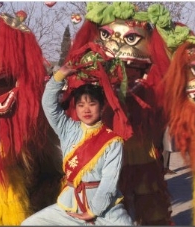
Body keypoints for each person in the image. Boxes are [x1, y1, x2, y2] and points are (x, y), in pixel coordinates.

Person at [21, 64, 134, 226]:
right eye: (81, 105)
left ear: (102, 107)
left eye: (92, 104)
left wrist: (93, 211)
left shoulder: (113, 141)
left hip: (106, 209)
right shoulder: (67, 128)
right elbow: (49, 105)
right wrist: (59, 76)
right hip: (70, 205)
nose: (86, 109)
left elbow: (109, 181)